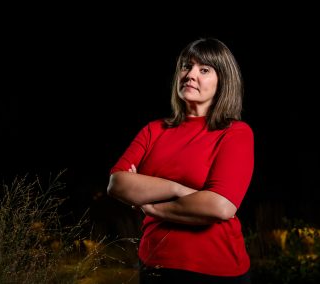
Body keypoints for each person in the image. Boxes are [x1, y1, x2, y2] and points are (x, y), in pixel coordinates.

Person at [107, 37, 254, 284]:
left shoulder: (235, 133)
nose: (190, 74)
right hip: (155, 264)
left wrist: (152, 205)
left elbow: (220, 207)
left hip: (217, 270)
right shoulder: (153, 130)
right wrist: (180, 190)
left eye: (204, 69)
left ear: (223, 81)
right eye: (186, 66)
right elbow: (117, 183)